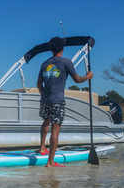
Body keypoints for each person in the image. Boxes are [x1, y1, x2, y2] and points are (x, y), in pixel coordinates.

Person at [37, 37, 93, 167]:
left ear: (51, 49)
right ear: (63, 48)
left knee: (46, 121)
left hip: (45, 100)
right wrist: (88, 76)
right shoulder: (66, 62)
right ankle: (50, 162)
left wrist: (44, 95)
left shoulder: (45, 63)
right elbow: (77, 80)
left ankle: (42, 149)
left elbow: (39, 83)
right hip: (57, 100)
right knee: (55, 129)